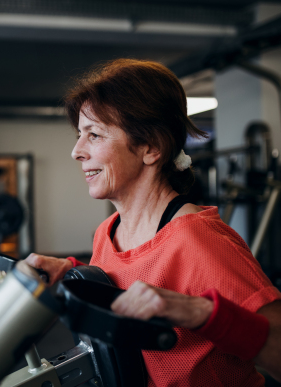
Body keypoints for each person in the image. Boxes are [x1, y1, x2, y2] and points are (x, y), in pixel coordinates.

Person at [25, 59, 281, 386]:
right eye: (79, 134)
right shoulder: (109, 232)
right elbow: (124, 290)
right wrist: (73, 275)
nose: (77, 151)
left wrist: (202, 313)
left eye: (95, 135)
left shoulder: (197, 239)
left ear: (150, 147)